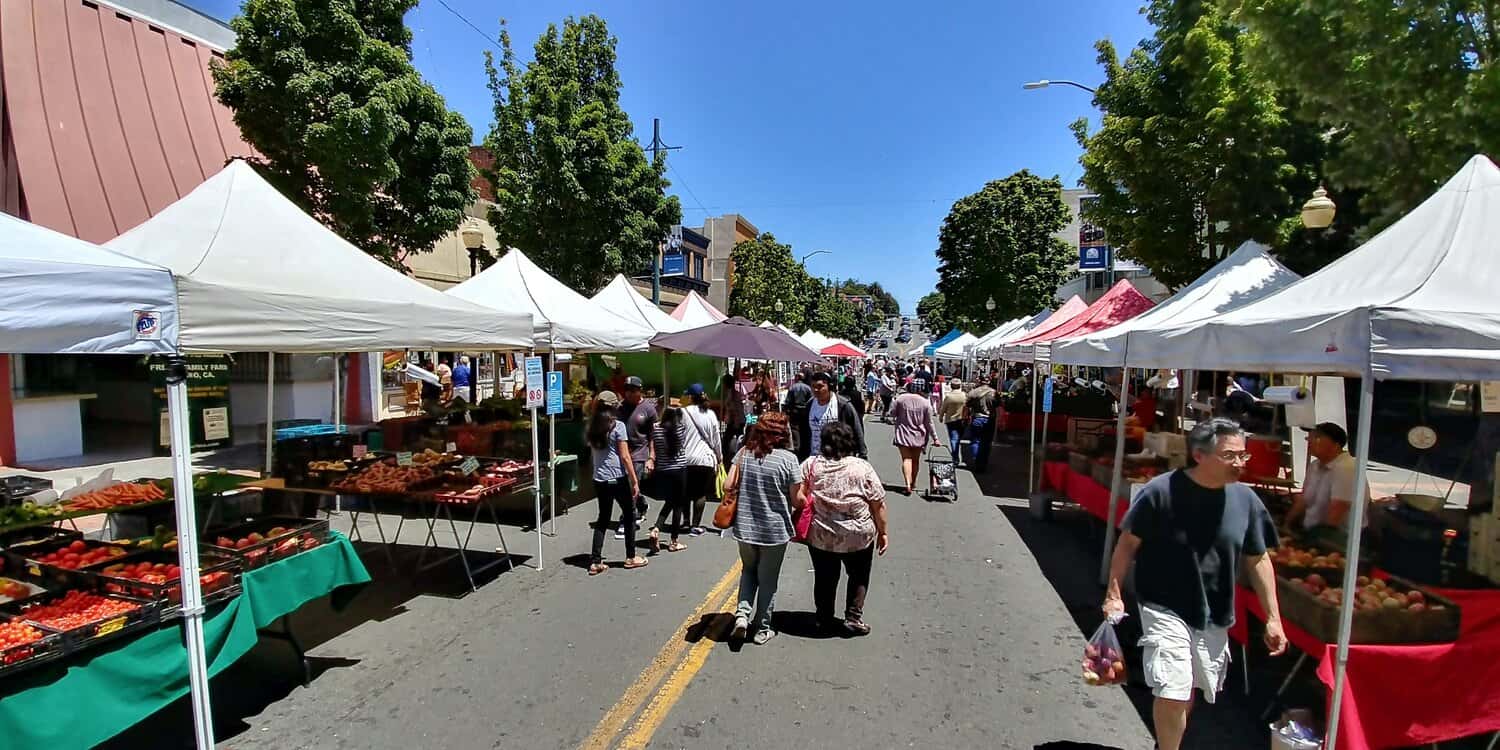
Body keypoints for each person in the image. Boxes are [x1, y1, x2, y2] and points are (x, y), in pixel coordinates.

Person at [1103, 418, 1287, 750]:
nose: (1240, 463)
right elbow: (1128, 543)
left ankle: (1166, 743)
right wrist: (1114, 593)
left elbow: (1258, 558)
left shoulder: (1246, 501)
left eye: (1243, 456)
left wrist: (1273, 617)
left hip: (1214, 613)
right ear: (1199, 455)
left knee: (1189, 689)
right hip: (1163, 605)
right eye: (1230, 456)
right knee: (1173, 689)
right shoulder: (1160, 491)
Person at [799, 421, 889, 636]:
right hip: (857, 534)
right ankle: (853, 617)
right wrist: (883, 532)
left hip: (822, 533)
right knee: (859, 575)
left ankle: (824, 618)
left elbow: (798, 496)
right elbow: (878, 503)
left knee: (824, 577)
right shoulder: (862, 467)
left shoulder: (812, 465)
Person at [724, 412, 802, 645]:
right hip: (774, 531)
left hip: (745, 528)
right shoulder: (788, 460)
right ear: (783, 434)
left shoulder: (744, 453)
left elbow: (728, 485)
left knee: (748, 571)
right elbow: (798, 500)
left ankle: (741, 616)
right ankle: (762, 628)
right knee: (768, 579)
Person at [586, 392, 647, 574]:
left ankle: (595, 560)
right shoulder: (617, 426)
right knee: (629, 514)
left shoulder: (592, 426)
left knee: (603, 517)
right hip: (616, 477)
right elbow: (625, 456)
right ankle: (630, 556)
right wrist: (634, 481)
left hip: (599, 478)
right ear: (614, 406)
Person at [1288, 422, 1377, 533]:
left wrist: (1314, 540)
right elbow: (1303, 500)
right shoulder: (1314, 465)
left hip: (1340, 538)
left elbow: (1337, 511)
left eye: (1317, 438)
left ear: (1336, 445)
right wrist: (1287, 524)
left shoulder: (1346, 468)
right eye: (1309, 438)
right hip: (1311, 530)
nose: (1310, 442)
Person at [617, 376, 658, 539]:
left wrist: (651, 457)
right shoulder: (620, 408)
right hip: (622, 452)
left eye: (632, 390)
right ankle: (641, 505)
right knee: (627, 486)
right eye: (626, 390)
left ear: (639, 391)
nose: (628, 393)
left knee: (630, 486)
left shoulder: (648, 409)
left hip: (640, 453)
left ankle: (627, 521)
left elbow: (653, 435)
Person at [646, 405, 690, 553]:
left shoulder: (655, 428)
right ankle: (674, 541)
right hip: (679, 469)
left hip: (663, 470)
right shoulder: (680, 428)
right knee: (678, 505)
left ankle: (656, 528)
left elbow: (653, 445)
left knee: (670, 501)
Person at [681, 383, 723, 535]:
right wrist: (720, 457)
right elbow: (716, 438)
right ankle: (695, 525)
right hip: (705, 459)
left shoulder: (682, 412)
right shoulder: (710, 414)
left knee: (685, 492)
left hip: (685, 458)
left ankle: (685, 522)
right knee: (700, 493)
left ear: (691, 397)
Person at [796, 371, 867, 462]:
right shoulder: (810, 405)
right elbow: (803, 431)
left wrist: (862, 454)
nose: (816, 390)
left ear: (830, 386)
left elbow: (857, 429)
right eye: (813, 387)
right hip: (814, 458)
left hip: (839, 458)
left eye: (820, 386)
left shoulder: (843, 405)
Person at [889, 381, 940, 495]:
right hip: (919, 435)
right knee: (915, 461)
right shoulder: (925, 403)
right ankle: (913, 483)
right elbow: (929, 423)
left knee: (906, 459)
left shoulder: (901, 399)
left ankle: (907, 483)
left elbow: (892, 413)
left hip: (903, 433)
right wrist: (935, 438)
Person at [963, 377, 998, 472]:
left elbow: (966, 405)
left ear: (980, 381)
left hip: (977, 418)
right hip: (989, 419)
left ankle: (976, 459)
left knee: (975, 441)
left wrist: (965, 417)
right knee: (986, 443)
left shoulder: (973, 392)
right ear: (989, 381)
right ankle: (983, 462)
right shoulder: (994, 392)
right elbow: (998, 404)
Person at [718, 373, 748, 463]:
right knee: (733, 439)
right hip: (736, 421)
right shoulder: (732, 393)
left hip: (736, 421)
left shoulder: (732, 394)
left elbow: (734, 410)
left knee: (729, 440)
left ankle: (731, 458)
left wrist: (736, 423)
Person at [782, 371, 814, 453]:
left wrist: (787, 410)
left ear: (797, 378)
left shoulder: (792, 387)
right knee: (805, 429)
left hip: (794, 411)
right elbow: (811, 400)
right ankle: (805, 447)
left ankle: (797, 447)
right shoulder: (807, 388)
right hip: (805, 411)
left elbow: (788, 401)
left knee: (795, 430)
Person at [938, 380, 968, 461]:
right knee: (958, 438)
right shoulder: (964, 395)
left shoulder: (949, 396)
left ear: (951, 386)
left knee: (954, 439)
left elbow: (943, 408)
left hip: (950, 420)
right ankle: (956, 454)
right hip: (962, 419)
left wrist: (940, 417)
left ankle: (955, 457)